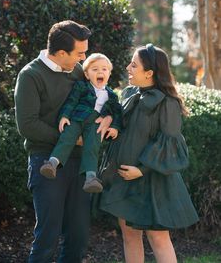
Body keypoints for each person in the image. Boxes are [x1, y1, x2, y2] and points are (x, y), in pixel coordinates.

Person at [14, 20, 112, 263]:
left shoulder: (79, 71)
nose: (84, 58)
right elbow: (27, 125)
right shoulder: (30, 75)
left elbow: (101, 99)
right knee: (47, 236)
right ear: (60, 53)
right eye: (80, 53)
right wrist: (71, 140)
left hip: (79, 165)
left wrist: (109, 117)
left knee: (78, 238)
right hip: (47, 161)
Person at [99, 44, 199, 263]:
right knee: (129, 234)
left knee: (158, 237)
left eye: (134, 65)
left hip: (153, 179)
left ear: (150, 73)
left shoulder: (168, 103)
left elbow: (171, 146)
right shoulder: (129, 94)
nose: (128, 68)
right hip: (124, 177)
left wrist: (142, 170)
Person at [40, 53, 122, 193]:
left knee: (92, 147)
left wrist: (114, 127)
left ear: (109, 73)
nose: (100, 72)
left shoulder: (112, 96)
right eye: (95, 69)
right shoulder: (81, 86)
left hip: (95, 124)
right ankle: (52, 163)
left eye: (104, 69)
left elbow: (117, 114)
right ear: (87, 74)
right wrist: (64, 116)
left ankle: (91, 178)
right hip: (78, 118)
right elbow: (71, 101)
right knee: (67, 137)